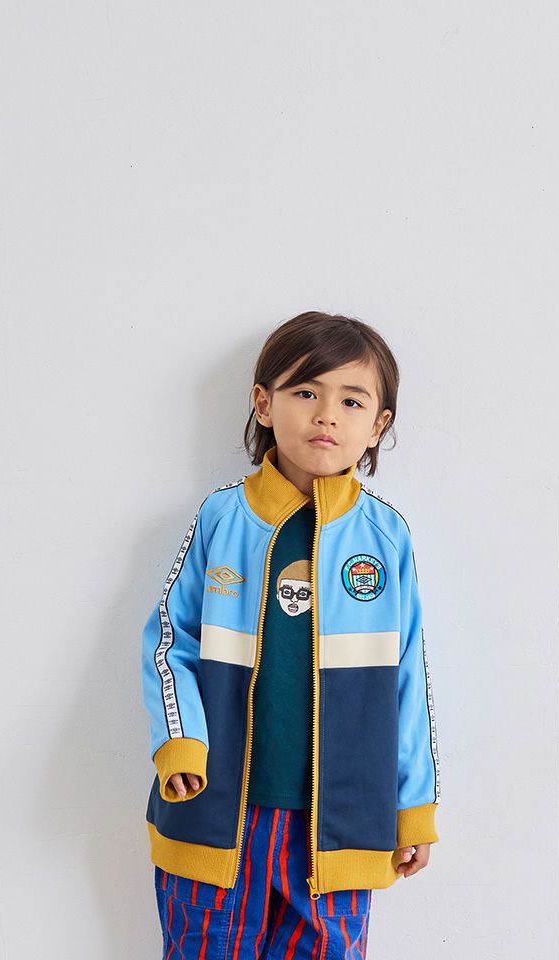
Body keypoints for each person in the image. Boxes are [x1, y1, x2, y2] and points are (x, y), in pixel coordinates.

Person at [141, 310, 442, 959]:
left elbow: (407, 680)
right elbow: (170, 642)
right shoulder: (222, 518)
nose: (326, 414)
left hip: (339, 830)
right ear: (264, 403)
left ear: (378, 425)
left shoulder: (384, 537)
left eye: (351, 400)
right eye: (306, 391)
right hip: (217, 812)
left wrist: (414, 805)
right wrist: (180, 744)